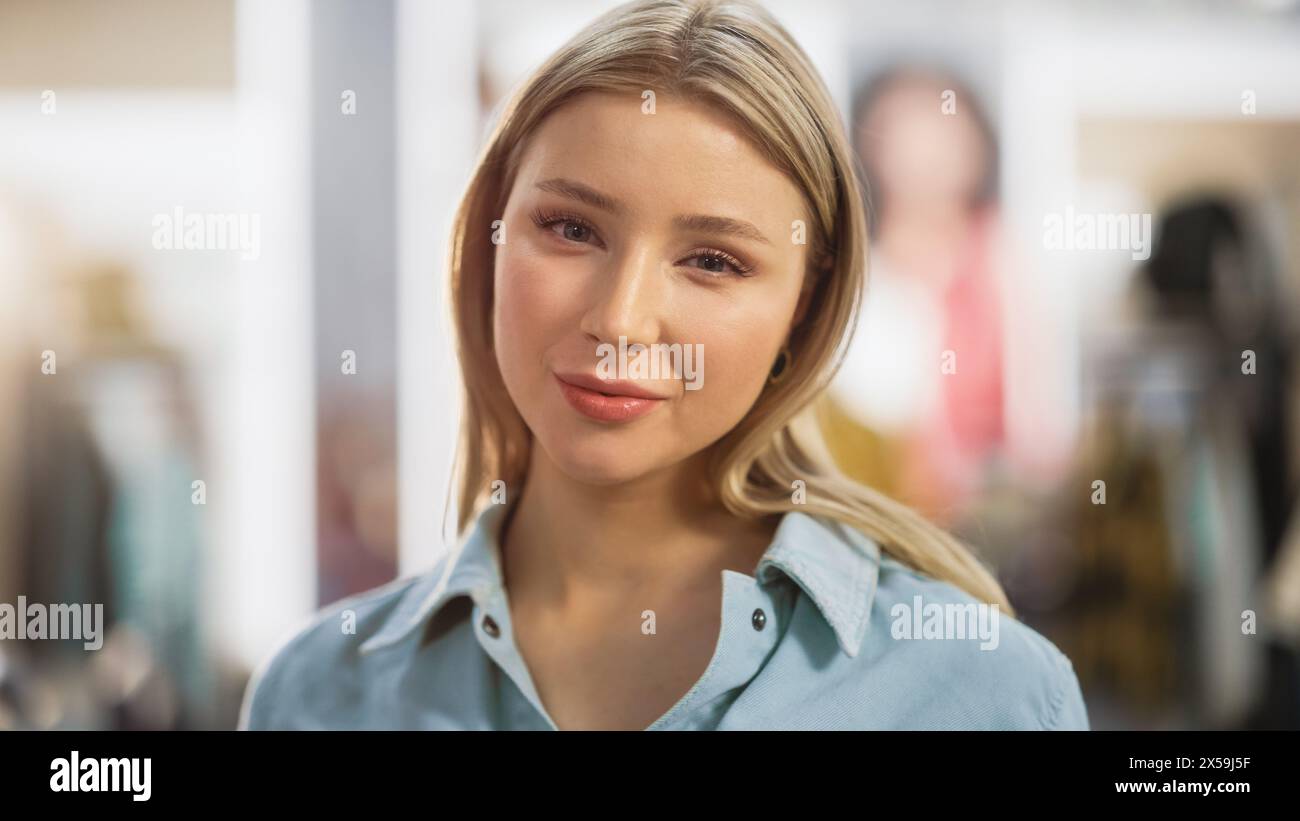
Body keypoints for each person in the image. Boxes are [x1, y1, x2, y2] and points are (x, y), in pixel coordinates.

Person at [240, 0, 1088, 730]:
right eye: (571, 229)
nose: (618, 319)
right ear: (492, 235)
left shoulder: (988, 695)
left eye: (713, 261)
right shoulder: (317, 695)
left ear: (805, 303)